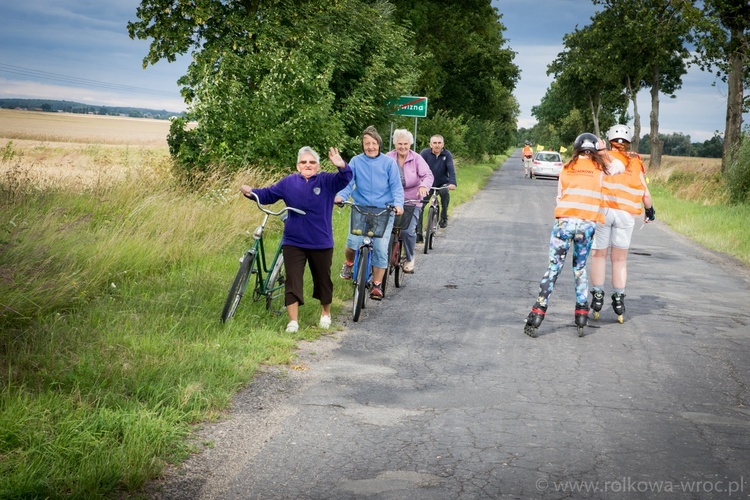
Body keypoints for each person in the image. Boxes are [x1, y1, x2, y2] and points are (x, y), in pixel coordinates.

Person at [240, 146, 352, 333]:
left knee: (323, 279)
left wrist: (341, 165)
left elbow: (345, 178)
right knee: (293, 280)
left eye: (312, 162)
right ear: (297, 165)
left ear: (317, 165)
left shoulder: (326, 181)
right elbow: (268, 194)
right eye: (303, 162)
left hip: (320, 241)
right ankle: (293, 321)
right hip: (294, 240)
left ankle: (325, 313)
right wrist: (251, 192)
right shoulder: (289, 182)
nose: (307, 165)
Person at [524, 133, 609, 338]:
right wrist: (604, 151)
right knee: (579, 268)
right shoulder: (601, 170)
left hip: (564, 222)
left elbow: (559, 196)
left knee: (554, 267)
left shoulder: (567, 167)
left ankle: (537, 313)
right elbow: (611, 185)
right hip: (586, 224)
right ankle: (581, 314)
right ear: (595, 149)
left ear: (577, 148)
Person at [589, 124, 655, 323]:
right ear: (628, 142)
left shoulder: (601, 157)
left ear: (609, 140)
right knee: (619, 260)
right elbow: (646, 193)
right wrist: (650, 211)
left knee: (599, 255)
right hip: (626, 216)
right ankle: (618, 301)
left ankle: (598, 297)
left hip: (603, 211)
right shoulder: (635, 161)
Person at [335, 126, 404, 300]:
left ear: (379, 144)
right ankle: (349, 263)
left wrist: (398, 204)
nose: (370, 147)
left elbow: (396, 186)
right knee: (352, 243)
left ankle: (377, 285)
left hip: (383, 211)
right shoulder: (356, 161)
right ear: (363, 145)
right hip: (361, 209)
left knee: (380, 248)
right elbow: (348, 184)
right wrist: (341, 197)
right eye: (367, 143)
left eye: (373, 143)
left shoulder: (388, 163)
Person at [386, 129, 433, 273]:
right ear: (395, 143)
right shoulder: (388, 157)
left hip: (412, 200)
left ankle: (410, 257)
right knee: (384, 231)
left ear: (410, 144)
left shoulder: (417, 158)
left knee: (407, 231)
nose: (402, 147)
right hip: (391, 200)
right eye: (399, 143)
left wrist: (424, 186)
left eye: (405, 143)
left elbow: (428, 175)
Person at [417, 134, 456, 240]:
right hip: (427, 184)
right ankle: (418, 233)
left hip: (442, 182)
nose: (437, 145)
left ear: (443, 144)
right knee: (420, 206)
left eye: (439, 143)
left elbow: (451, 169)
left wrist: (452, 182)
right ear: (430, 144)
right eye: (434, 143)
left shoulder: (447, 154)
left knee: (444, 192)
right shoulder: (425, 153)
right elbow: (418, 168)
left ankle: (443, 217)